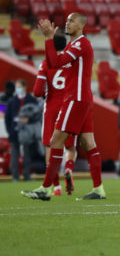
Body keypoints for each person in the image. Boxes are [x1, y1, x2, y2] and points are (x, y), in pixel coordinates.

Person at [24, 13, 106, 201]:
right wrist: (49, 41)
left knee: (55, 141)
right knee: (88, 144)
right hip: (82, 99)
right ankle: (98, 189)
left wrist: (48, 39)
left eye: (71, 21)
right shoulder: (73, 45)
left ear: (81, 25)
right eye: (67, 21)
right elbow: (55, 62)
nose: (67, 23)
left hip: (75, 99)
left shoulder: (80, 44)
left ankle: (46, 189)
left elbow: (55, 62)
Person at [32, 33, 79, 195]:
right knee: (70, 146)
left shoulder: (46, 64)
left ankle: (57, 187)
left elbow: (37, 91)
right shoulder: (72, 62)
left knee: (50, 148)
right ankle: (68, 168)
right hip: (70, 108)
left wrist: (45, 94)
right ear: (66, 45)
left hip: (51, 109)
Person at [6, 80, 39, 182]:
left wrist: (29, 120)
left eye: (19, 86)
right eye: (16, 87)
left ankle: (27, 175)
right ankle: (15, 176)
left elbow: (37, 115)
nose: (17, 89)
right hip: (14, 131)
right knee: (14, 155)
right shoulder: (12, 101)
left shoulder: (31, 99)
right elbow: (8, 118)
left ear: (24, 87)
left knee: (27, 154)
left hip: (27, 131)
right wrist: (9, 130)